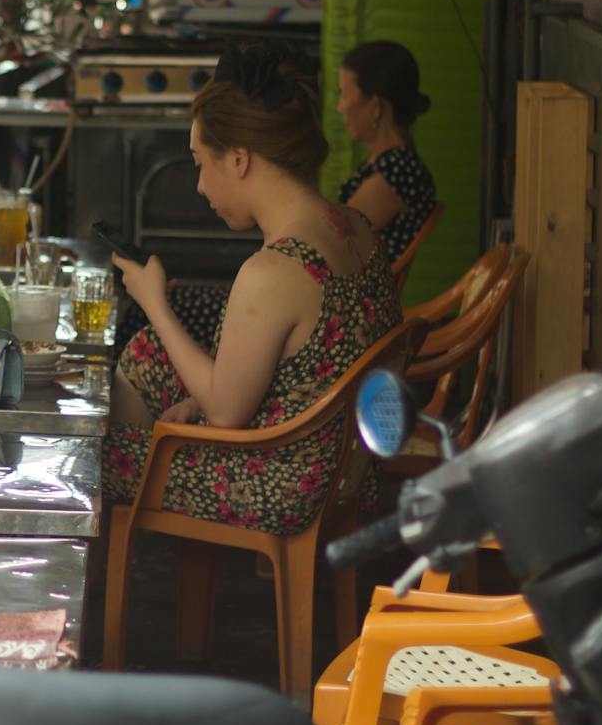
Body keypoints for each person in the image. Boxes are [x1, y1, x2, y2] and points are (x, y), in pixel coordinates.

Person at [103, 43, 403, 535]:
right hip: (341, 464)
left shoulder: (275, 270)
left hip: (278, 482)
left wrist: (154, 302)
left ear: (239, 159)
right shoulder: (358, 225)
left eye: (201, 162)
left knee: (84, 455)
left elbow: (225, 414)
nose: (200, 185)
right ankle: (148, 503)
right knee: (150, 354)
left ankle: (117, 566)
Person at [335, 40, 438, 263]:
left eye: (344, 94)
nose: (339, 107)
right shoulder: (387, 164)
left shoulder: (398, 172)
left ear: (376, 107)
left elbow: (336, 241)